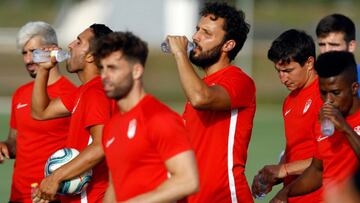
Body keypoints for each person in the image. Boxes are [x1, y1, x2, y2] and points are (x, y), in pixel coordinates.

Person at [93, 31, 199, 202]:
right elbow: (115, 186)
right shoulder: (111, 126)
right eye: (102, 68)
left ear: (136, 71)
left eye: (112, 68)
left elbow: (188, 180)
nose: (104, 76)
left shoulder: (160, 117)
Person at [166, 2, 256, 202]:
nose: (196, 37)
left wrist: (180, 54)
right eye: (197, 30)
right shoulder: (200, 85)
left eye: (206, 33)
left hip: (225, 196)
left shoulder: (239, 80)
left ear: (228, 45)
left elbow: (201, 98)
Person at [31, 24, 114, 203]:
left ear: (91, 56)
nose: (69, 45)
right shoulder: (84, 91)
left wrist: (55, 178)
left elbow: (101, 146)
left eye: (78, 42)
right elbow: (40, 112)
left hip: (92, 197)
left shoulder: (96, 92)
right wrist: (44, 70)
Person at [0, 21, 76, 203]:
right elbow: (15, 141)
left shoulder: (72, 95)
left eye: (34, 52)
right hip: (17, 196)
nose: (27, 60)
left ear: (53, 51)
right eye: (24, 53)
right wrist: (5, 146)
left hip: (51, 197)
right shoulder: (20, 93)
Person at [270, 51, 360, 203]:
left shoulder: (342, 123)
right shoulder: (325, 121)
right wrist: (285, 193)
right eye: (323, 93)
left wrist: (345, 128)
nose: (328, 100)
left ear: (354, 88)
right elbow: (317, 170)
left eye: (335, 93)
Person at [252, 29, 322, 202]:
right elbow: (294, 148)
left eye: (288, 70)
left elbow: (331, 158)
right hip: (293, 195)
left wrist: (283, 170)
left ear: (309, 63)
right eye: (279, 71)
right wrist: (273, 175)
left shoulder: (326, 95)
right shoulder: (289, 101)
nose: (283, 78)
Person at [316, 13, 360, 95]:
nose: (326, 50)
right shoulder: (314, 83)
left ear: (351, 46)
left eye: (334, 45)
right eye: (322, 45)